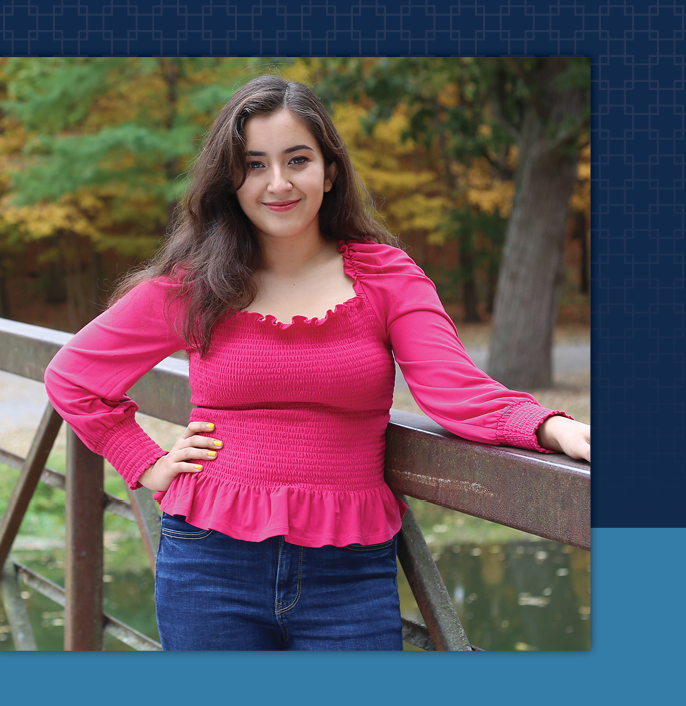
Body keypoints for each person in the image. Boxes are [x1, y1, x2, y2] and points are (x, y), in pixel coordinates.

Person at [44, 75, 591, 651]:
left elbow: (452, 388)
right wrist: (146, 462)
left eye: (297, 160)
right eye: (254, 165)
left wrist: (549, 426)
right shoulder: (196, 287)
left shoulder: (387, 278)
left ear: (329, 171)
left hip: (348, 572)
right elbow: (73, 376)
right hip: (209, 566)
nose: (278, 183)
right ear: (230, 181)